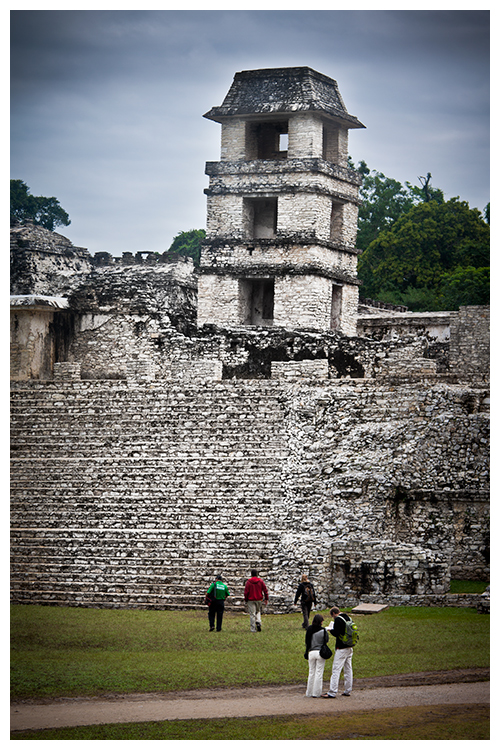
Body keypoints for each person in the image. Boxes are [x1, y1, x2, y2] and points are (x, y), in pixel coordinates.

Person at [322, 606, 354, 698]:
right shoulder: (348, 617)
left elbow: (336, 633)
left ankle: (332, 691)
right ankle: (348, 690)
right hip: (349, 646)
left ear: (333, 614)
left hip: (341, 647)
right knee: (348, 669)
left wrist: (330, 630)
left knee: (336, 669)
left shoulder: (338, 620)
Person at [304, 613, 329, 697]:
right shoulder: (323, 630)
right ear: (321, 622)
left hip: (311, 652)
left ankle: (309, 692)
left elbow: (307, 641)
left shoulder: (309, 629)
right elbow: (326, 640)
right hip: (320, 652)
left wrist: (306, 651)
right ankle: (316, 693)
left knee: (311, 673)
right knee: (319, 673)